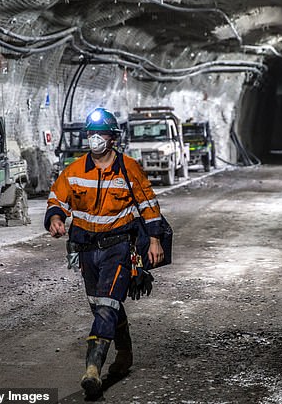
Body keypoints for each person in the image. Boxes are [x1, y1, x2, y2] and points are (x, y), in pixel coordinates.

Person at [45, 107, 164, 397]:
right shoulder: (74, 171)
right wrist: (56, 217)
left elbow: (148, 204)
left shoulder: (128, 168)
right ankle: (124, 352)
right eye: (91, 134)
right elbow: (56, 197)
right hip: (87, 249)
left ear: (113, 138)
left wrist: (155, 240)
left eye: (101, 134)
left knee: (107, 303)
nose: (95, 138)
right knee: (101, 305)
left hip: (119, 246)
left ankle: (92, 369)